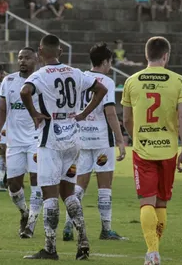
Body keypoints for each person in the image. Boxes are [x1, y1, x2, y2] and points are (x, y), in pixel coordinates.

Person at [20, 35, 108, 260]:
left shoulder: (39, 75)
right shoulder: (76, 72)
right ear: (60, 51)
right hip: (73, 135)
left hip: (51, 136)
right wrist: (85, 113)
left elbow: (24, 92)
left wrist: (34, 114)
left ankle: (50, 248)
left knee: (49, 192)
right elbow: (101, 89)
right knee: (68, 192)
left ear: (40, 52)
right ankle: (84, 241)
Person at [121, 36, 182, 265]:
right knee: (161, 203)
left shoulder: (132, 81)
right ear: (166, 56)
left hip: (143, 150)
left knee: (146, 202)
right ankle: (153, 250)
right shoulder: (178, 80)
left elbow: (127, 118)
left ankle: (152, 252)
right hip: (169, 149)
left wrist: (136, 137)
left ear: (146, 55)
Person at [62, 42, 127, 242]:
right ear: (106, 61)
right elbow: (110, 113)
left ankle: (67, 225)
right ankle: (106, 229)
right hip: (101, 139)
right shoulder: (106, 81)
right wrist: (120, 139)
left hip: (80, 139)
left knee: (79, 186)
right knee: (104, 186)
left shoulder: (80, 78)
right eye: (110, 62)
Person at [0, 47, 43, 239]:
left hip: (36, 140)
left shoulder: (42, 80)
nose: (22, 61)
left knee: (36, 180)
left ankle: (31, 223)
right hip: (14, 141)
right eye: (20, 57)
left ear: (36, 59)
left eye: (27, 58)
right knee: (13, 184)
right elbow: (2, 109)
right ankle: (24, 211)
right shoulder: (9, 81)